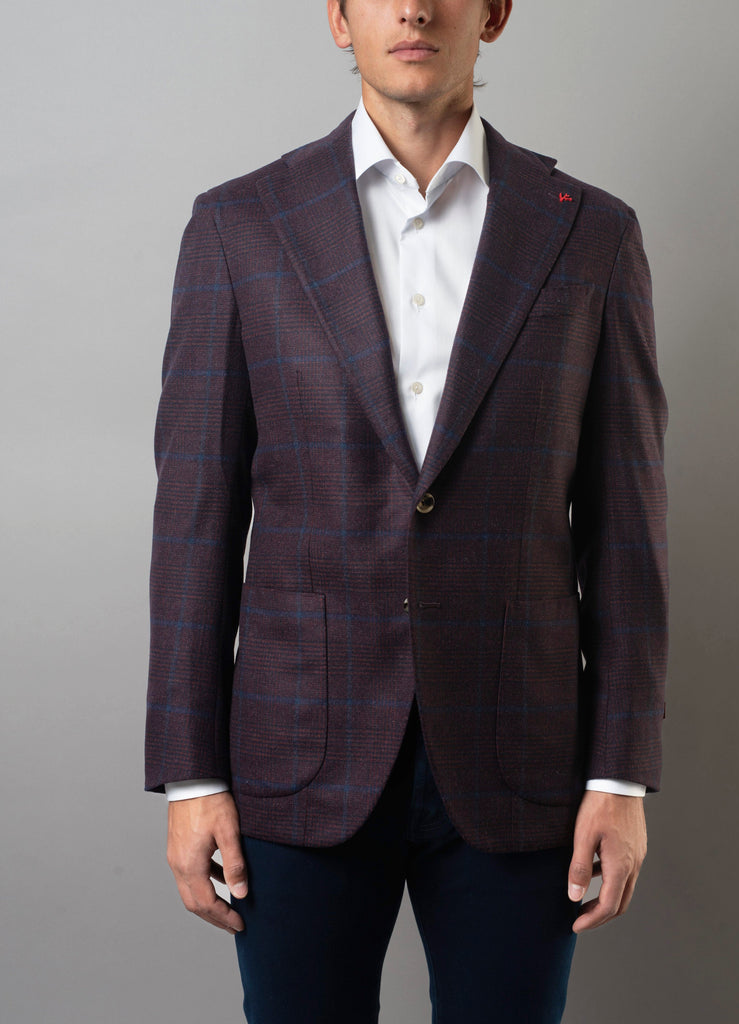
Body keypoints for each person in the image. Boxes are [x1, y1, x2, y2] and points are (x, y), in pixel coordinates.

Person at [145, 2, 668, 1021]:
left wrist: (621, 777)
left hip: (522, 762)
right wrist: (189, 775)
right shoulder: (240, 226)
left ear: (495, 14)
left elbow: (627, 531)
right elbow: (195, 521)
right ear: (339, 19)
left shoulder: (591, 233)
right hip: (295, 758)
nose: (415, 8)